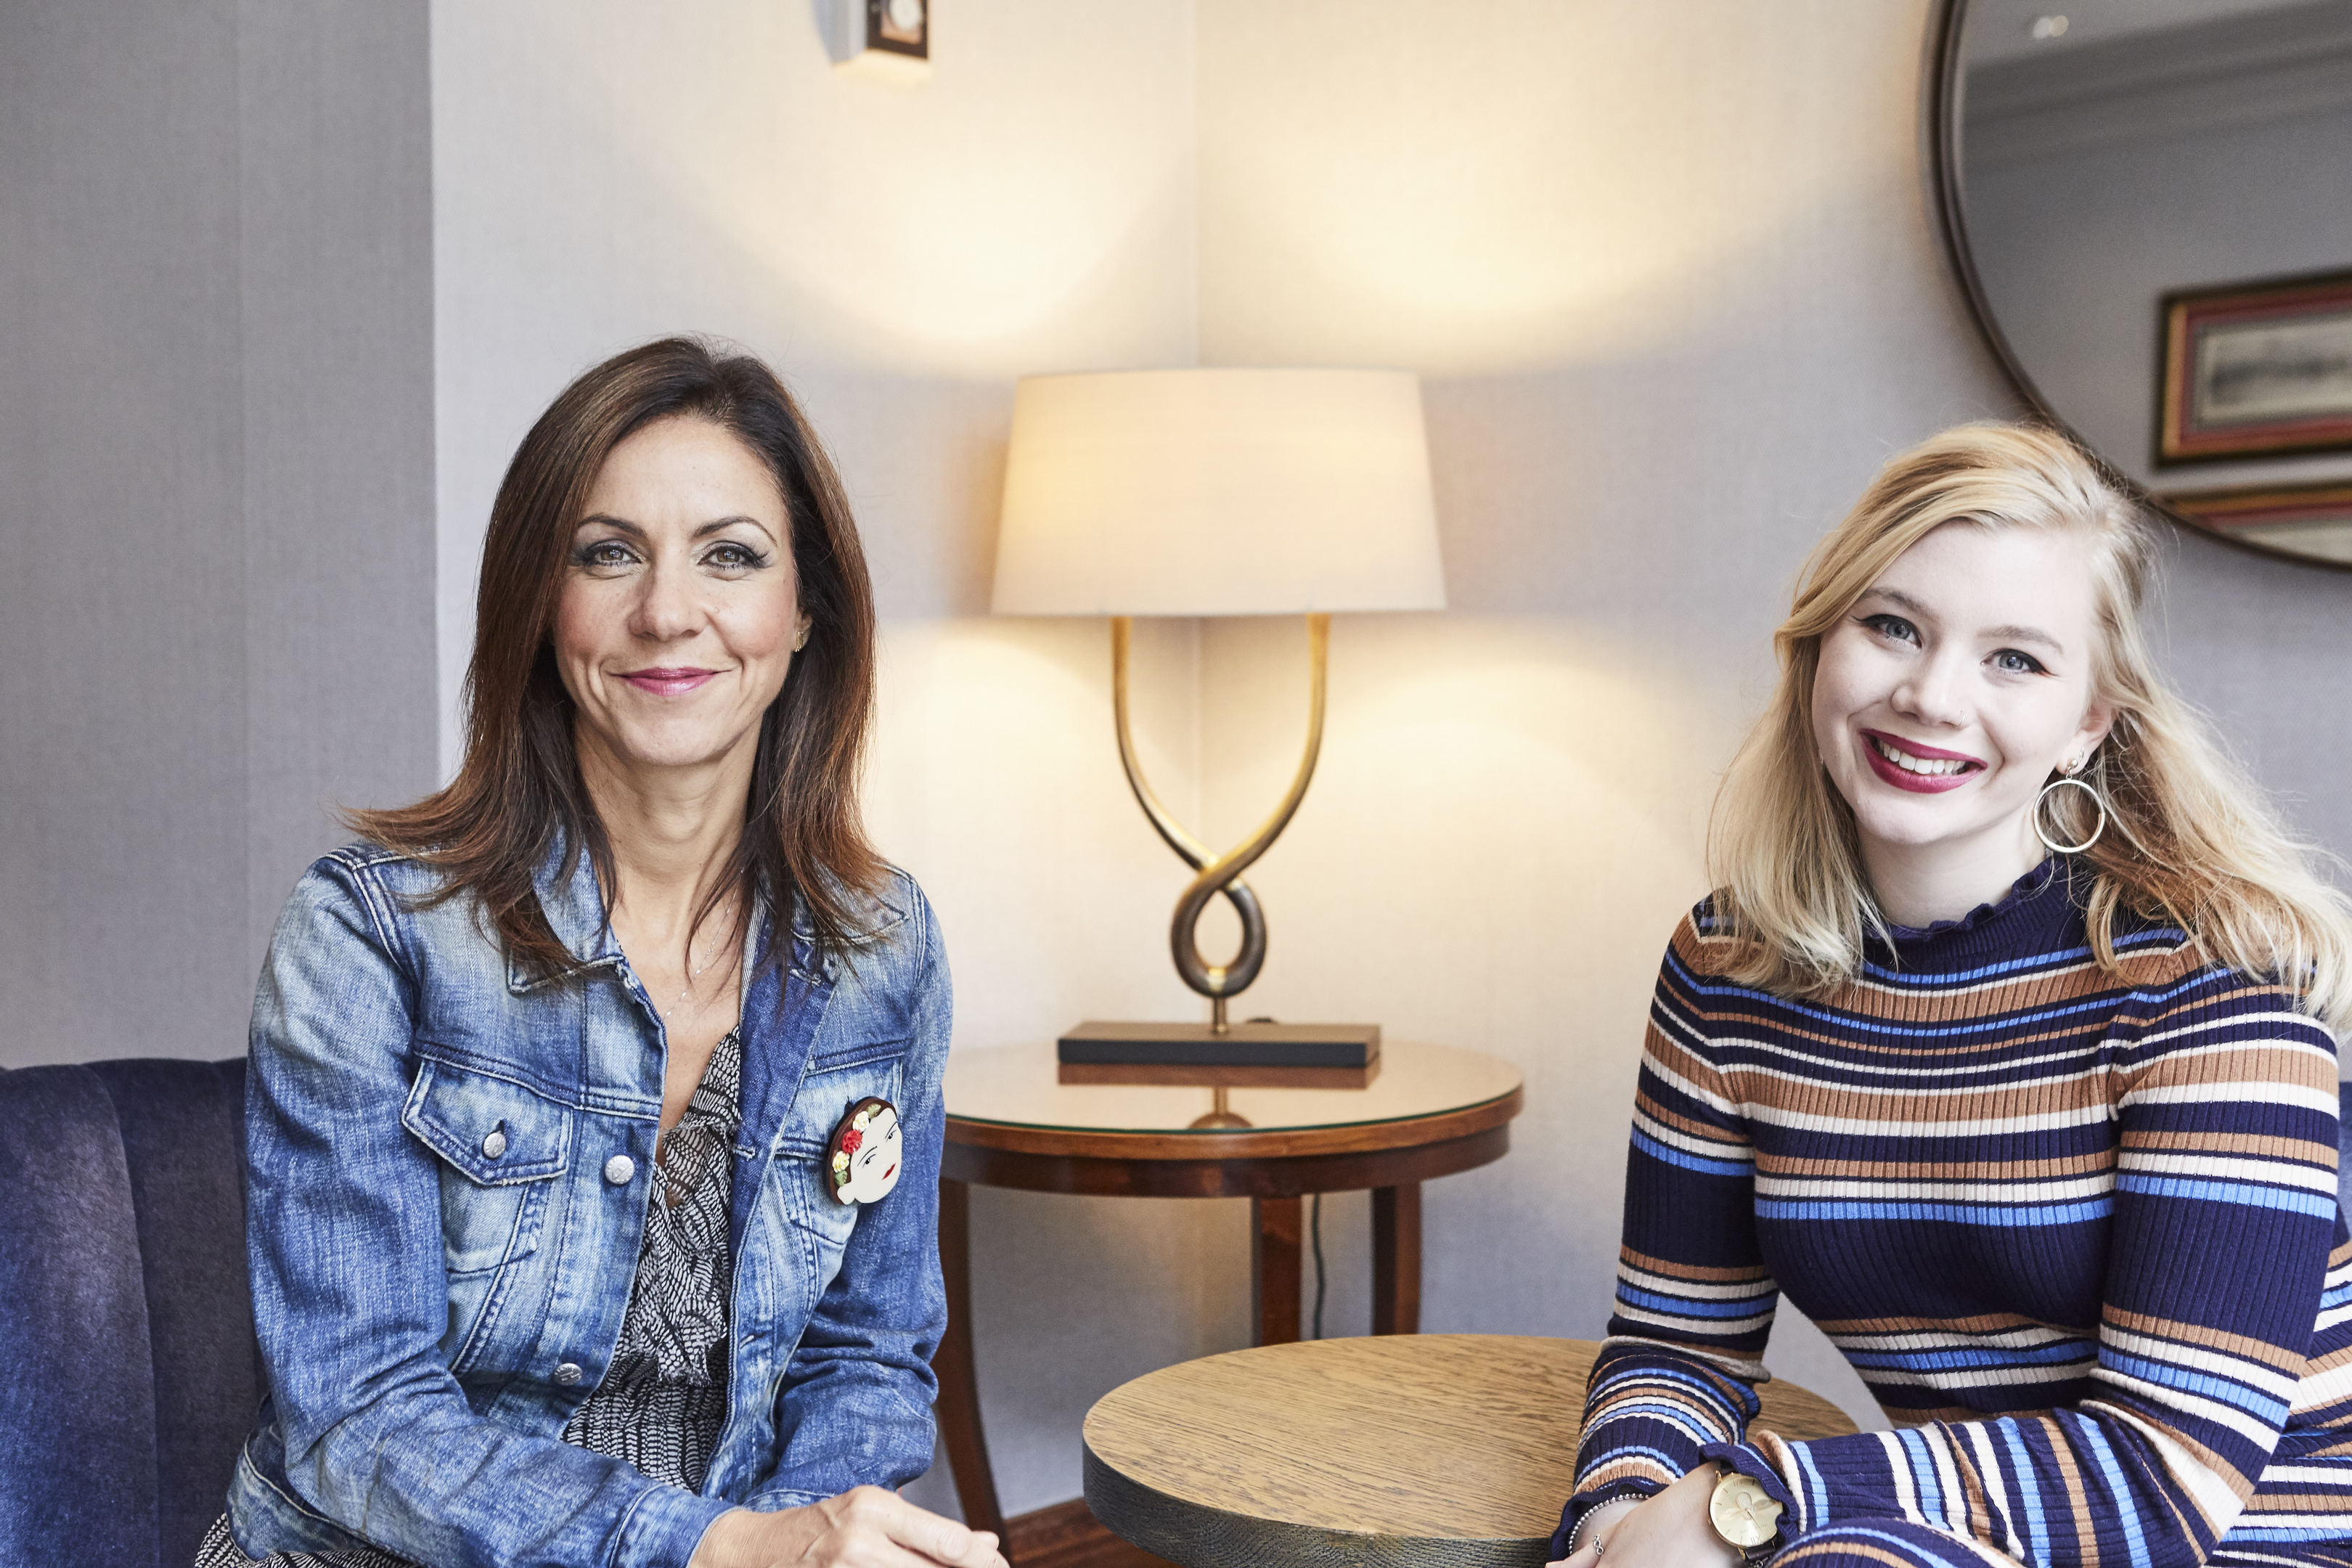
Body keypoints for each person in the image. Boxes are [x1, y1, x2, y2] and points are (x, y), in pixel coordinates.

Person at [195, 338, 1005, 1568]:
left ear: (803, 615)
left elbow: (869, 1357)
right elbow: (357, 1417)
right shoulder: (371, 936)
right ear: (541, 606)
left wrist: (818, 1542)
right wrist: (723, 1549)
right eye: (608, 553)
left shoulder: (882, 948)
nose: (667, 611)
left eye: (730, 556)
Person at [1552, 425, 2352, 1568]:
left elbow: (2163, 1478)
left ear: (2090, 720)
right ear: (1819, 643)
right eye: (1893, 627)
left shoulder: (2205, 988)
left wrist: (1745, 1505)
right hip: (1982, 1531)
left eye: (2015, 659)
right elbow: (1676, 1344)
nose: (1930, 696)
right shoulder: (1727, 965)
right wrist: (1623, 1520)